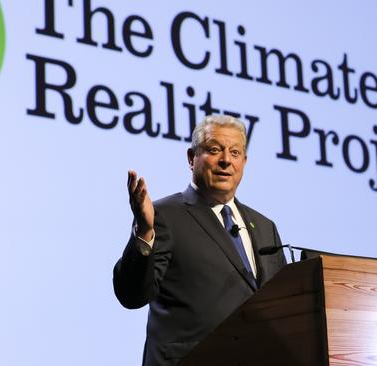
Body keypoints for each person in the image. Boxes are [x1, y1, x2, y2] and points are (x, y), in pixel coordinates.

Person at [113, 115, 287, 365]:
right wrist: (144, 232)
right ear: (191, 158)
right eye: (215, 149)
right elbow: (132, 294)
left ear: (244, 162)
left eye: (235, 152)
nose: (226, 160)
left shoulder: (264, 227)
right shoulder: (164, 215)